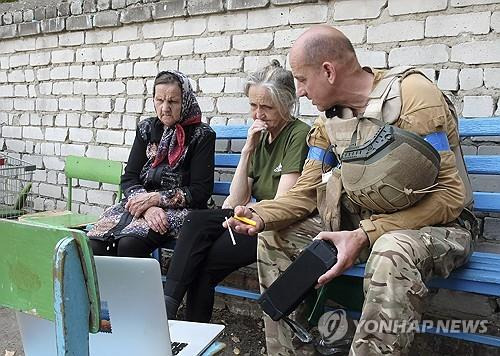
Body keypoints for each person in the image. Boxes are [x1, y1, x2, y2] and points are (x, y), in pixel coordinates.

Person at [226, 25, 477, 356]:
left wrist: (365, 234)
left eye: (301, 79)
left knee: (391, 249)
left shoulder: (412, 97)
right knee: (274, 235)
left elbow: (450, 196)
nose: (298, 92)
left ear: (328, 71)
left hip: (439, 227)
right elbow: (307, 191)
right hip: (365, 225)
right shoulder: (328, 121)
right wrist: (259, 215)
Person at [163, 60, 311, 322]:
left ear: (287, 103)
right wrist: (247, 150)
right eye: (253, 106)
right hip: (248, 216)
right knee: (198, 244)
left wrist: (243, 211)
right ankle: (177, 316)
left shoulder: (298, 134)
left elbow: (282, 203)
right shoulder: (261, 136)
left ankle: (167, 309)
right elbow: (235, 199)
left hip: (275, 224)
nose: (258, 114)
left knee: (200, 245)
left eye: (266, 107)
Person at [88, 70, 216, 258]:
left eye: (173, 102)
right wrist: (146, 205)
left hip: (182, 209)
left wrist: (156, 199)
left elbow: (200, 191)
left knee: (129, 244)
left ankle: (137, 288)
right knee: (96, 243)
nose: (165, 108)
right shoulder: (147, 129)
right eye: (159, 100)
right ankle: (107, 288)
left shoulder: (202, 135)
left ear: (185, 101)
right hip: (140, 202)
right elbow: (130, 177)